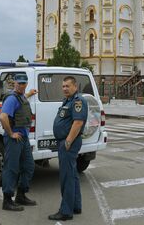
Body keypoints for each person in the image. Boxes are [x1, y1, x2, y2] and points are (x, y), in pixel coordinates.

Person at [48, 76, 88, 221]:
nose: (65, 88)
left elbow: (78, 123)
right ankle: (76, 206)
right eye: (63, 86)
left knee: (66, 177)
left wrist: (68, 141)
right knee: (72, 175)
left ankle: (66, 211)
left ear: (75, 87)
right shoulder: (68, 100)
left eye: (67, 86)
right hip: (65, 142)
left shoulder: (78, 101)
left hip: (69, 143)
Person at [0, 73, 38, 211]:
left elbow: (22, 99)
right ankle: (7, 200)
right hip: (14, 139)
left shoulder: (21, 96)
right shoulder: (11, 99)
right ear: (14, 83)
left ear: (26, 83)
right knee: (12, 168)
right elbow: (3, 117)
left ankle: (21, 195)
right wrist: (11, 133)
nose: (21, 85)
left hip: (24, 138)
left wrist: (29, 93)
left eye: (24, 83)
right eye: (19, 83)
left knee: (28, 166)